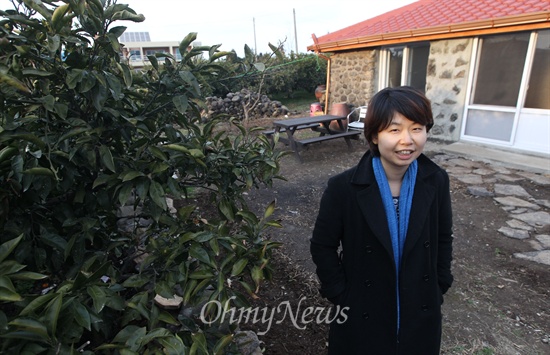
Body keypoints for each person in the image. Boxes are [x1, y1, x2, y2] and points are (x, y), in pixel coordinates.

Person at [310, 86, 454, 354]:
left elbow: (443, 236)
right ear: (375, 135)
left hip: (420, 308)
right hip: (360, 312)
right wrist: (340, 293)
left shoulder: (435, 181)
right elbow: (322, 245)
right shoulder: (344, 188)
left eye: (417, 128)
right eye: (395, 129)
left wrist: (439, 284)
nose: (407, 140)